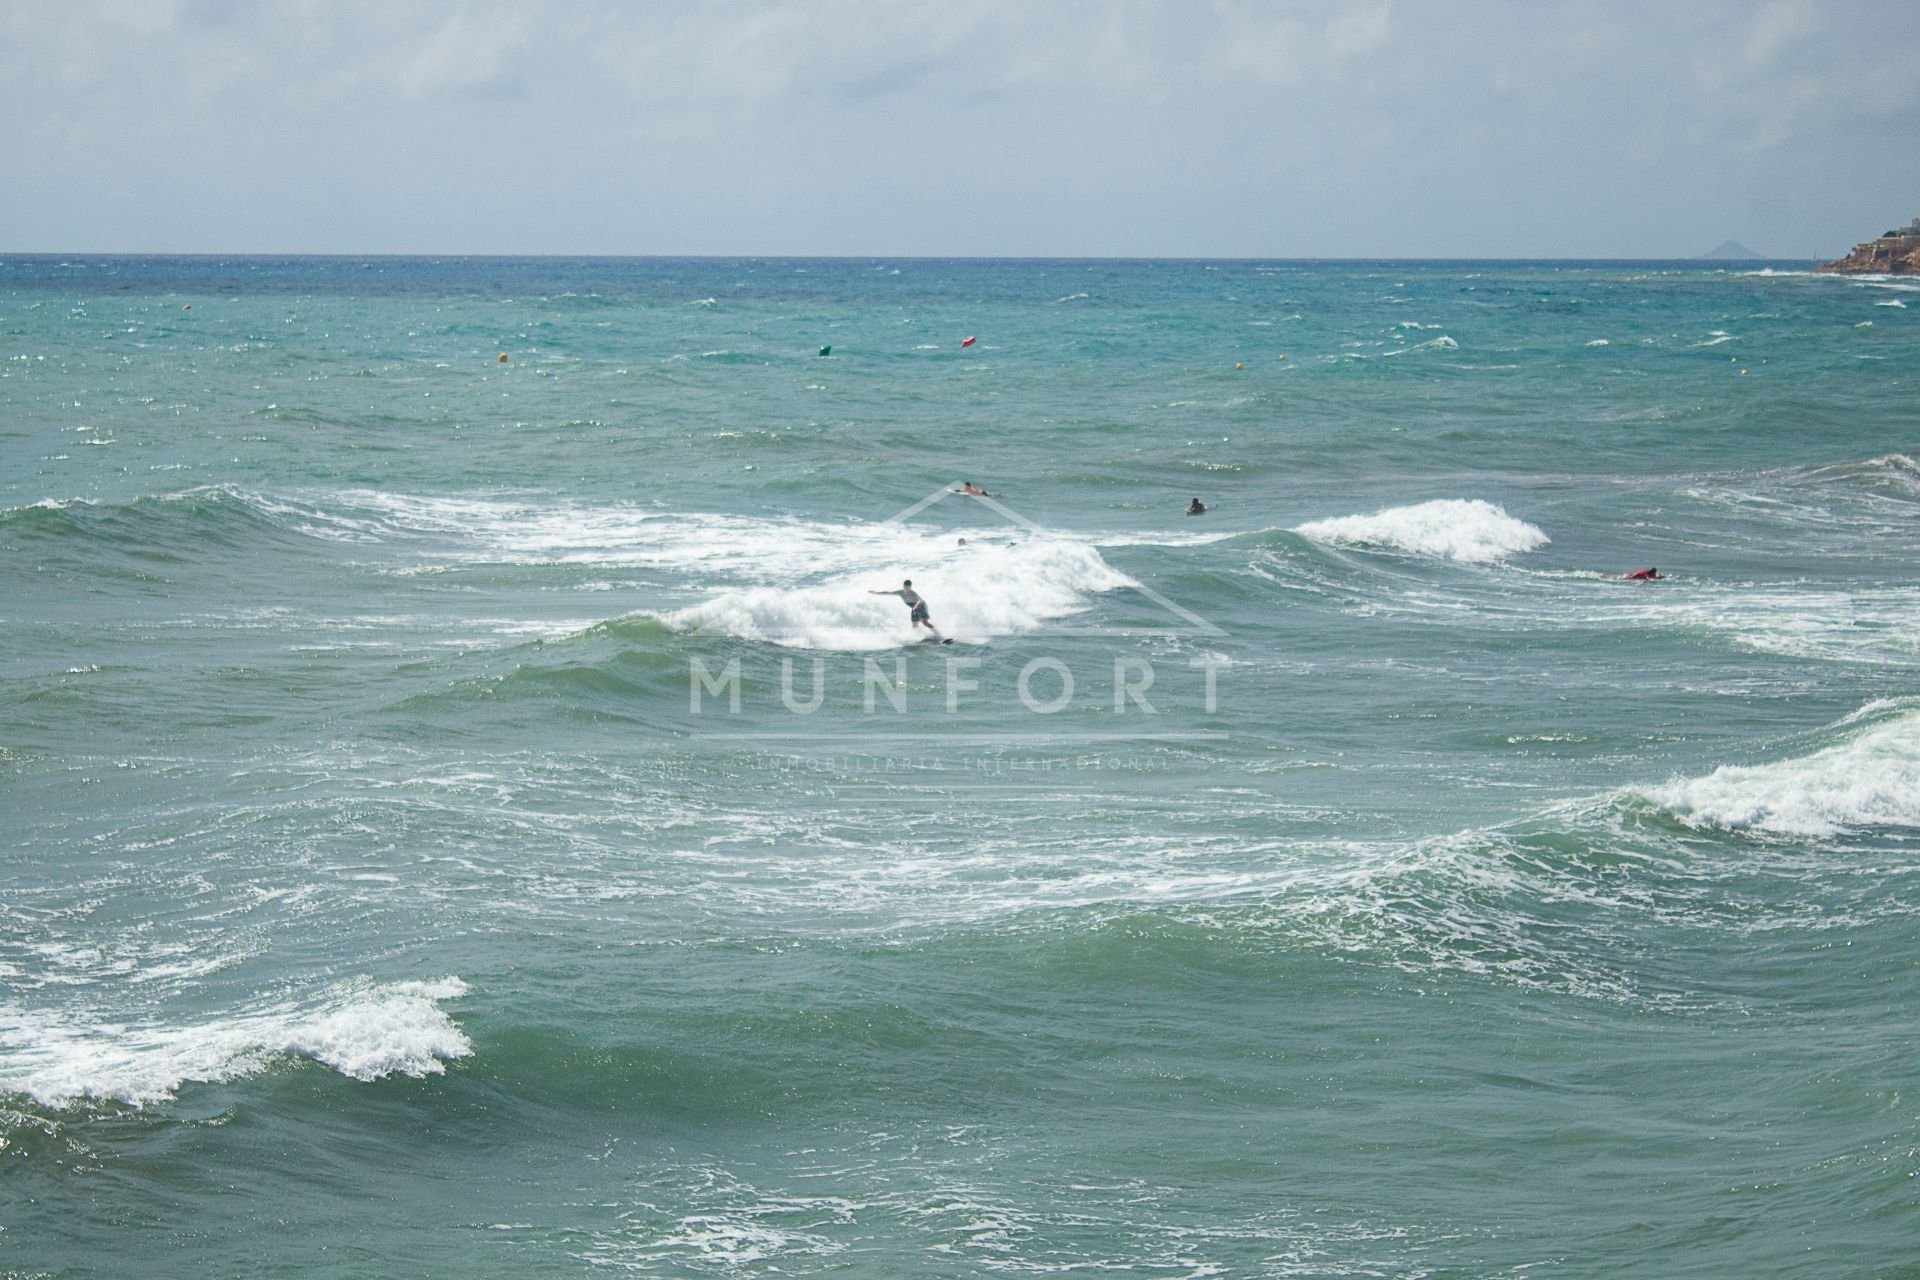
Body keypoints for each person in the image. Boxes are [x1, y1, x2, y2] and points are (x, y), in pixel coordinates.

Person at [871, 578, 944, 640]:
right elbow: (888, 592)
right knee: (914, 625)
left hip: (922, 606)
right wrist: (876, 593)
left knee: (924, 622)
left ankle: (939, 635)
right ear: (903, 586)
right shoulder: (900, 592)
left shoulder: (913, 593)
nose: (907, 589)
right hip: (914, 608)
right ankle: (922, 636)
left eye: (908, 588)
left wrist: (915, 606)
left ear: (910, 587)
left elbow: (919, 601)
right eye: (905, 588)